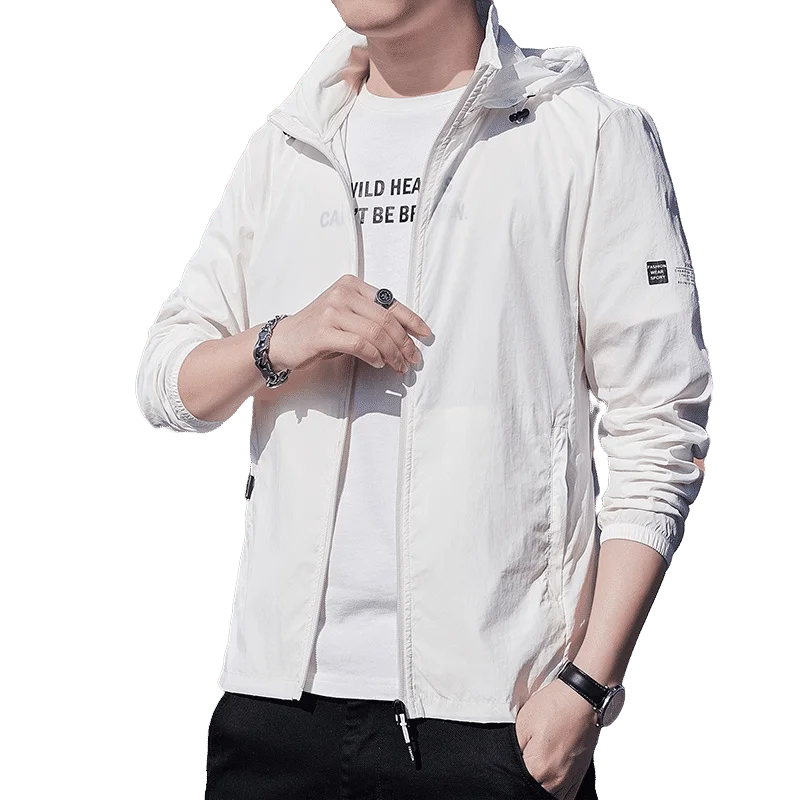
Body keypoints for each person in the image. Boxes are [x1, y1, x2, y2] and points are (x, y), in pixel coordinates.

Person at [134, 1, 713, 797]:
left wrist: (585, 686)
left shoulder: (587, 138)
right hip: (273, 711)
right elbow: (166, 384)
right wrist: (281, 339)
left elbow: (661, 433)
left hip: (492, 714)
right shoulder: (290, 142)